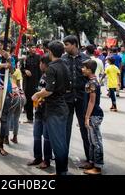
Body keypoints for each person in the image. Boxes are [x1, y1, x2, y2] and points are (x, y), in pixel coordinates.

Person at [32, 40, 70, 176]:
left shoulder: (52, 68)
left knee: (58, 143)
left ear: (50, 52)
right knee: (61, 142)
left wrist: (36, 95)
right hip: (62, 106)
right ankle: (62, 170)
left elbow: (48, 90)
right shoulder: (65, 65)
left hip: (54, 109)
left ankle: (62, 172)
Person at [62, 35, 90, 168]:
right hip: (66, 99)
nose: (64, 47)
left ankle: (89, 157)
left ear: (74, 44)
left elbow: (91, 80)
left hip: (82, 98)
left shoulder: (86, 59)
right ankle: (63, 155)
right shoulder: (62, 59)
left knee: (85, 127)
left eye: (66, 44)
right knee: (65, 128)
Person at [27, 53, 52, 169]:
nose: (39, 65)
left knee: (47, 137)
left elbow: (49, 92)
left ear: (44, 64)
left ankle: (46, 160)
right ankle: (38, 157)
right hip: (38, 110)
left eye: (40, 63)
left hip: (47, 111)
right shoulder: (43, 75)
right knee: (36, 135)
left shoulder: (51, 76)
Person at [81, 60, 104, 175]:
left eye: (84, 67)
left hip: (94, 115)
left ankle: (98, 167)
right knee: (91, 140)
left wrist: (86, 117)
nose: (82, 69)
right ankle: (92, 162)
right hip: (92, 114)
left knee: (96, 141)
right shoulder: (92, 81)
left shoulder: (92, 82)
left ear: (89, 70)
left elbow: (92, 101)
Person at [21, 44, 41, 123]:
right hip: (28, 82)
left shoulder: (39, 58)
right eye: (31, 47)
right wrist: (25, 71)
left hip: (38, 81)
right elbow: (22, 69)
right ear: (28, 48)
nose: (33, 49)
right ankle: (30, 118)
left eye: (34, 47)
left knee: (38, 100)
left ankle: (38, 118)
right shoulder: (26, 59)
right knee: (29, 99)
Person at [6, 63, 25, 145]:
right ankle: (15, 137)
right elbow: (19, 84)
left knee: (8, 117)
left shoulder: (5, 72)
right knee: (16, 118)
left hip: (14, 95)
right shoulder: (17, 71)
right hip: (21, 95)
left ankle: (5, 138)